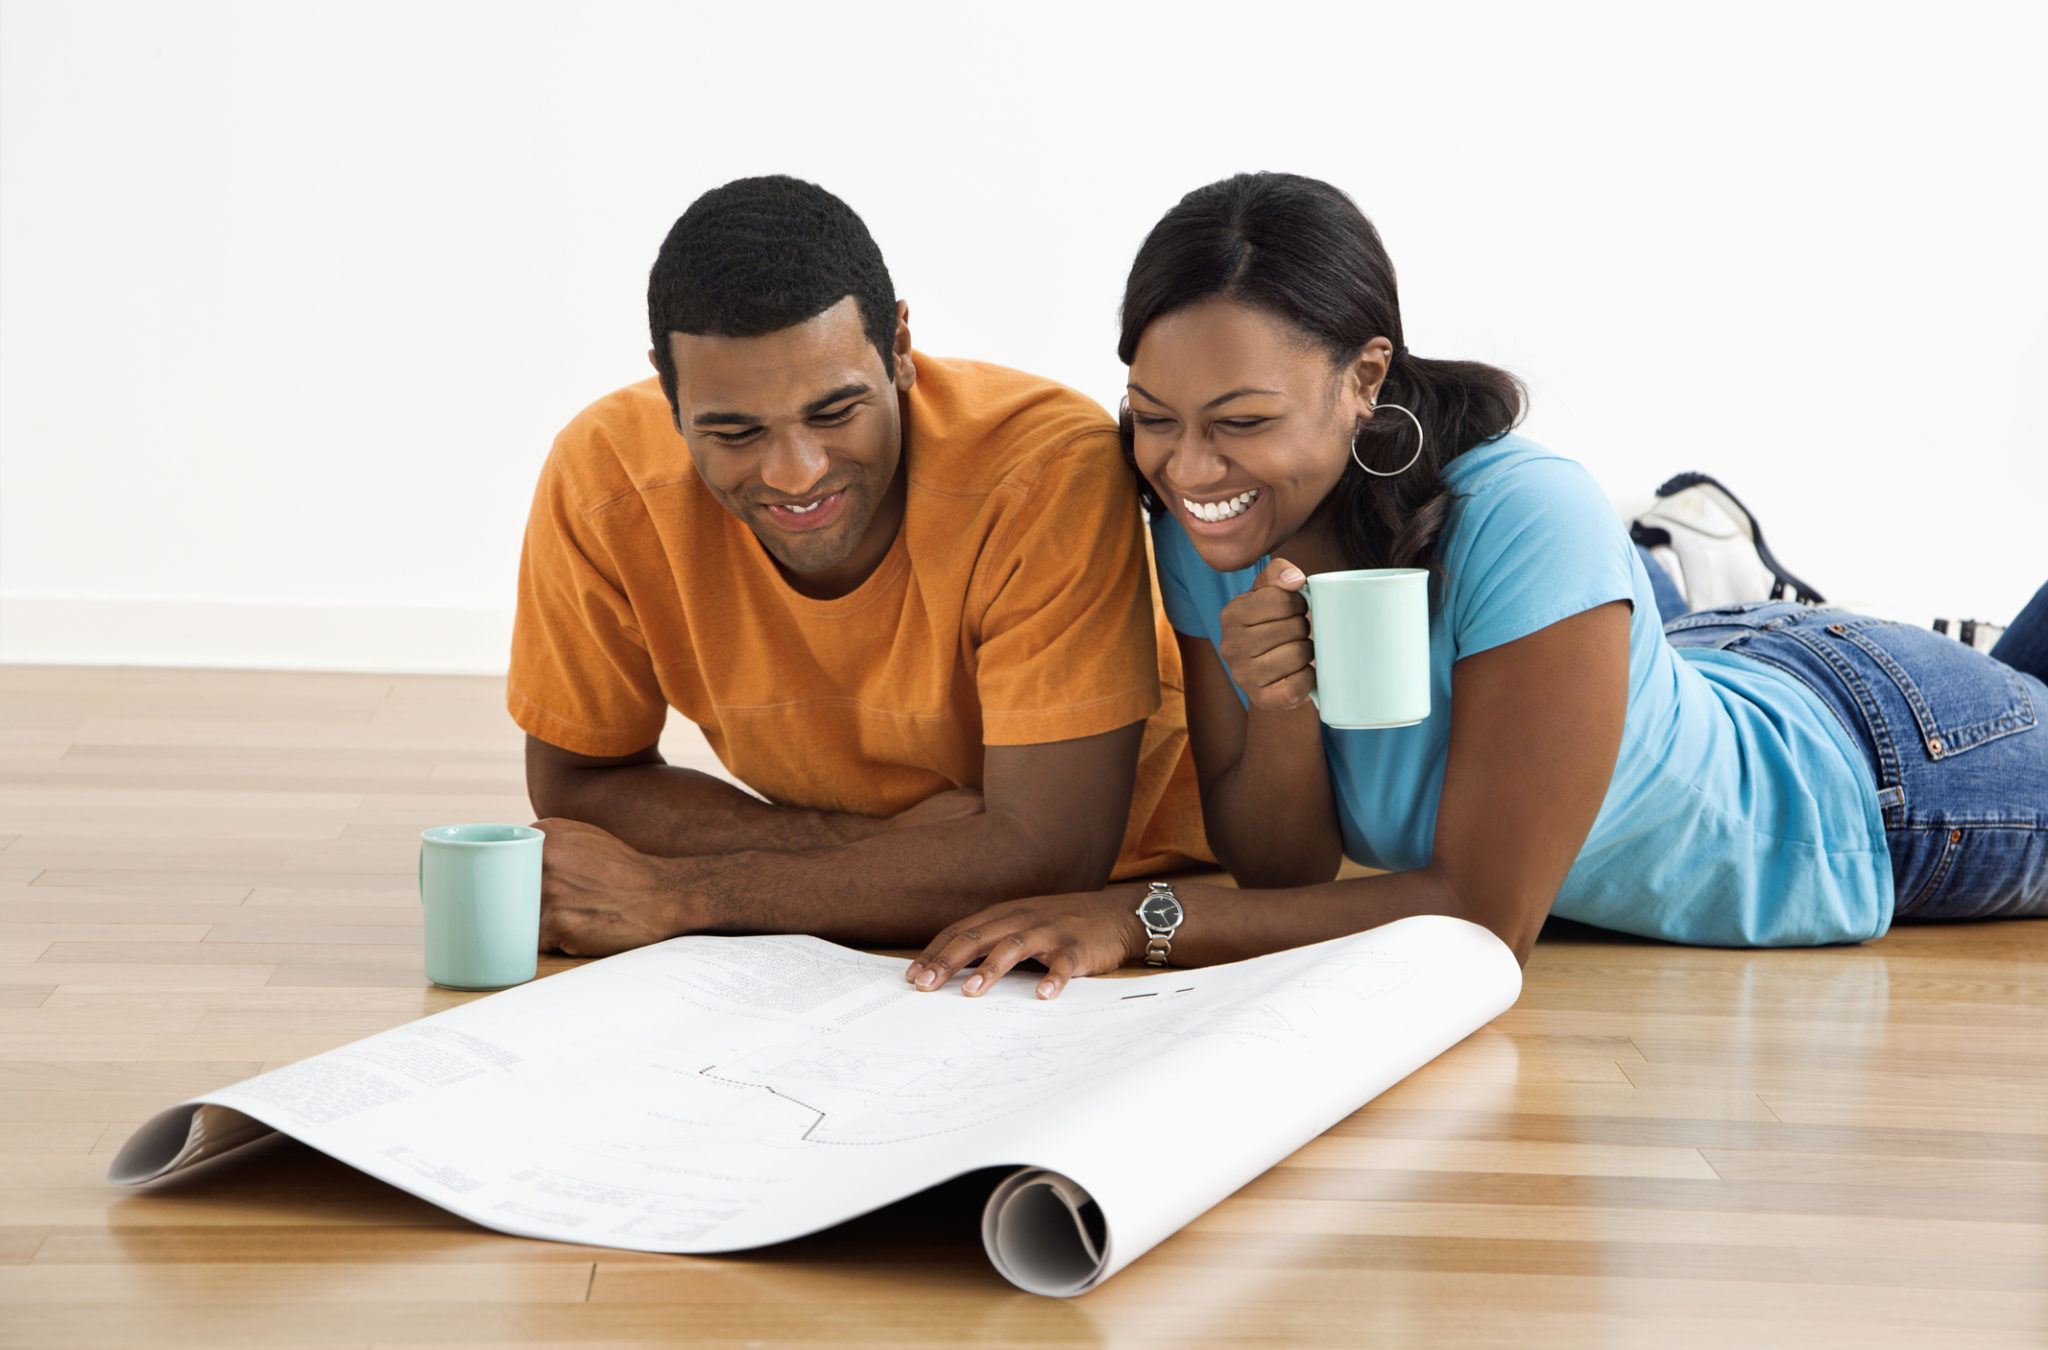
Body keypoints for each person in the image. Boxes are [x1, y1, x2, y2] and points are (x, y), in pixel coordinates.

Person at [903, 171, 2048, 1000]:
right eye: (1153, 420)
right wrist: (1282, 708)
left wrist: (1136, 919)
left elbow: (1478, 917)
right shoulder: (1209, 527)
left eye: (1240, 422)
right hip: (1713, 667)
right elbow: (1280, 866)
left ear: (1365, 379)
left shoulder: (1523, 508)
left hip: (1880, 779)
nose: (1187, 468)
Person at [508, 176, 1207, 958]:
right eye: (734, 432)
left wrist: (681, 894)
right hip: (885, 909)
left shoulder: (1046, 468)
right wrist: (845, 843)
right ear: (671, 396)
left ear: (900, 349)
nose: (796, 473)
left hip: (1149, 885)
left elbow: (1047, 854)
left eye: (835, 413)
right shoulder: (605, 475)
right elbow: (579, 787)